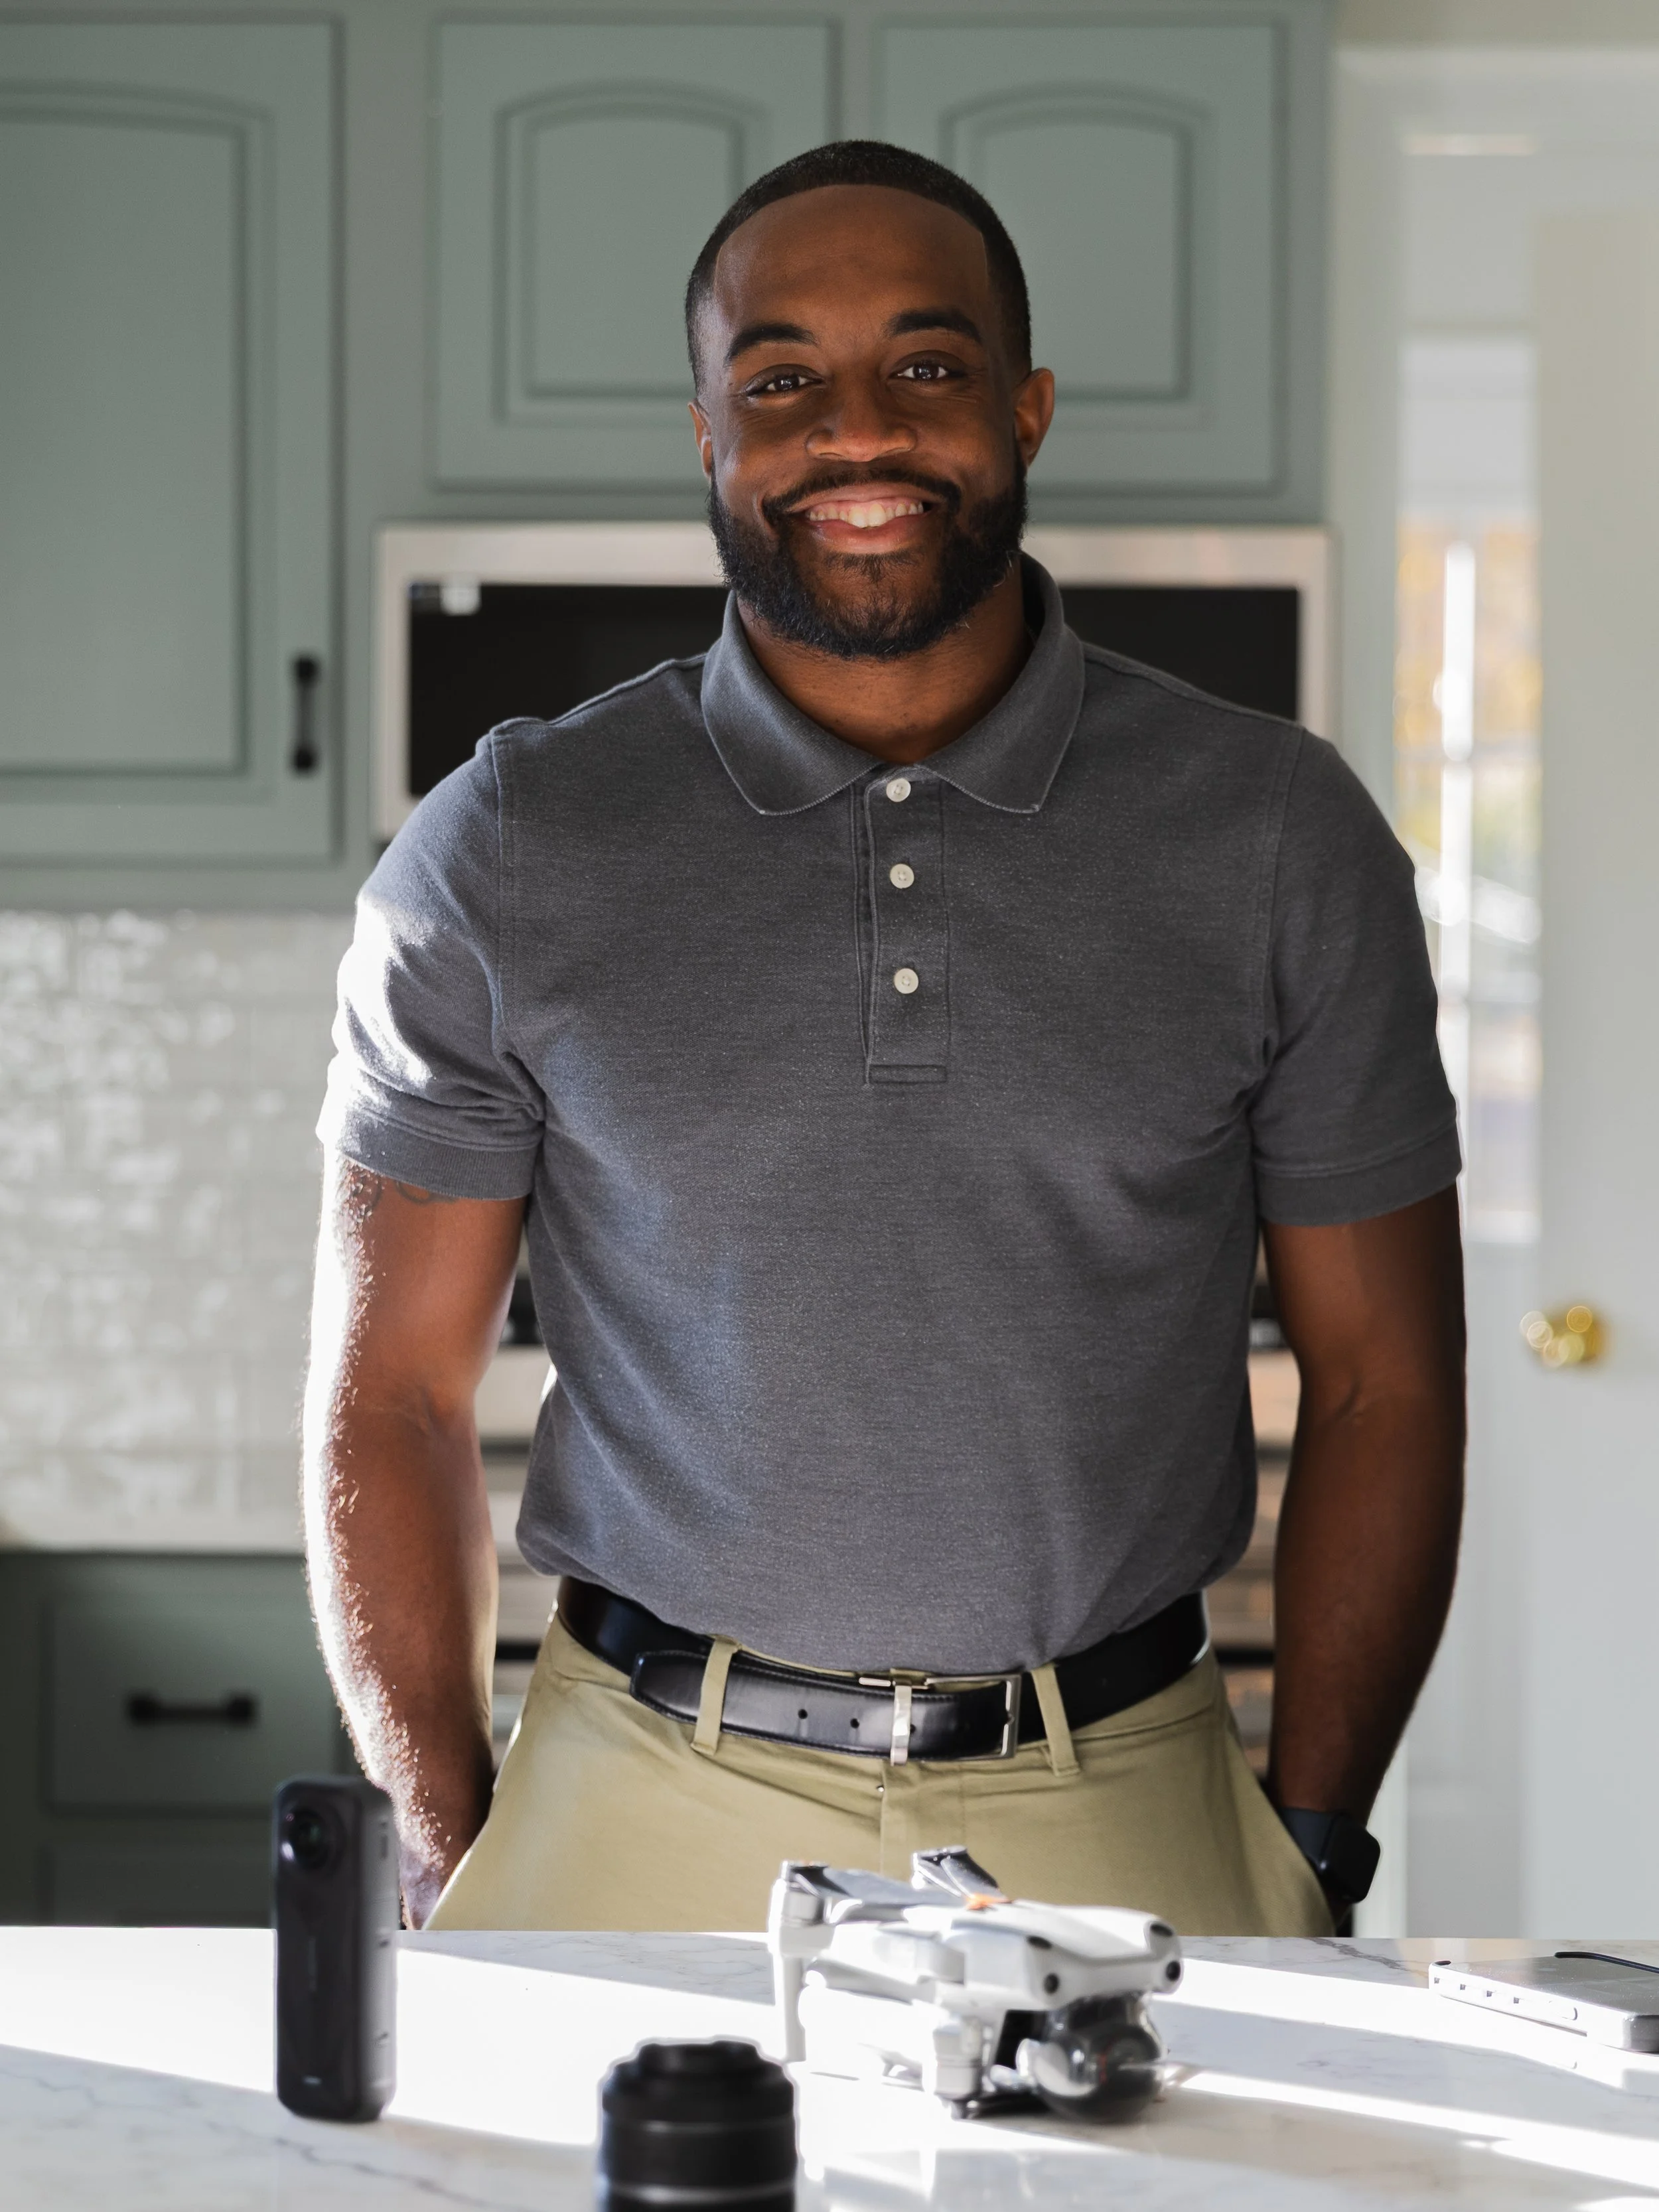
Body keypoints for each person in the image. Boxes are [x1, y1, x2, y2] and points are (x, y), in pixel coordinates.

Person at [306, 141, 1465, 1937]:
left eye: (925, 366)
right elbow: (391, 1392)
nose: (857, 432)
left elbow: (1385, 1379)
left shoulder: (1273, 839)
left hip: (1125, 1796)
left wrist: (1309, 1838)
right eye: (779, 380)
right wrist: (448, 1839)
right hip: (633, 1784)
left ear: (1023, 408)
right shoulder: (511, 843)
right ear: (709, 433)